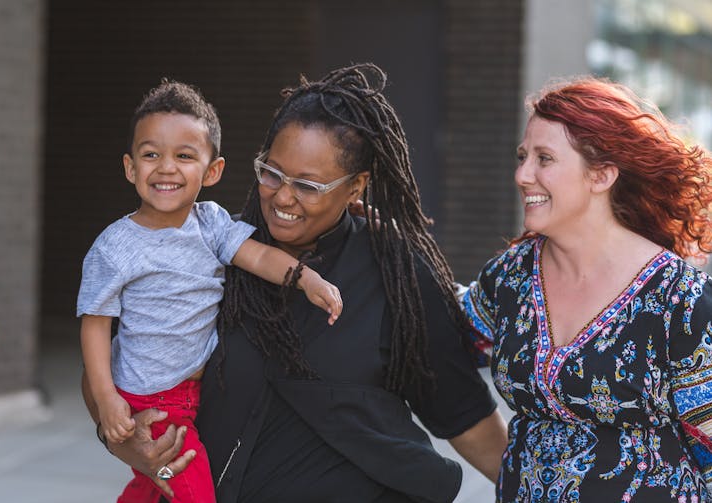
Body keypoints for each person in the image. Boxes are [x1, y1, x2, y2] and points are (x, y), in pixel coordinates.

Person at [83, 63, 508, 502]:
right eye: (272, 173)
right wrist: (119, 437)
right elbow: (115, 366)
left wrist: (532, 490)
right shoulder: (213, 250)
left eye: (308, 185)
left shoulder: (397, 274)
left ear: (356, 187)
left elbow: (462, 412)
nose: (283, 197)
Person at [77, 79, 343, 503]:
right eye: (151, 155)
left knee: (151, 484)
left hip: (193, 394)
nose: (166, 167)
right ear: (131, 167)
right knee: (193, 489)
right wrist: (107, 399)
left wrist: (305, 278)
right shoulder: (115, 246)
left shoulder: (211, 224)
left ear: (212, 170)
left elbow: (257, 257)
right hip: (152, 398)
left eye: (184, 156)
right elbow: (95, 323)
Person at [461, 76, 712, 502]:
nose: (523, 175)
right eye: (523, 156)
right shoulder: (510, 275)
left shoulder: (678, 298)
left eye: (545, 159)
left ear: (602, 175)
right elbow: (442, 338)